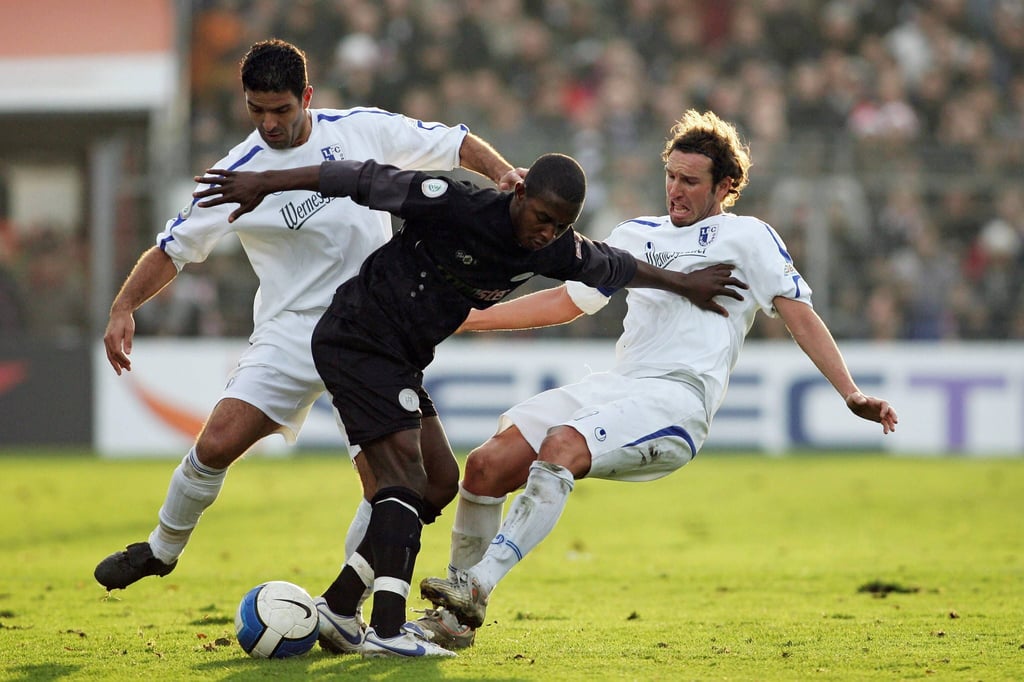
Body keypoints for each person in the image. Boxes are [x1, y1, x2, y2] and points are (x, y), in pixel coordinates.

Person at [191, 151, 747, 657]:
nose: (545, 233)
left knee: (437, 483)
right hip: (357, 337)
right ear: (520, 194)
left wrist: (685, 284)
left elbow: (616, 266)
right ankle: (386, 633)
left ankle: (338, 608)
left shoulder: (553, 245)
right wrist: (265, 181)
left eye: (559, 225)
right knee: (401, 483)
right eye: (540, 217)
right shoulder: (455, 201)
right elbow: (356, 178)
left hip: (400, 357)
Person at [417, 109, 899, 646]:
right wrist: (468, 317)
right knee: (485, 466)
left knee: (561, 445)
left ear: (727, 185)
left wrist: (850, 392)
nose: (675, 189)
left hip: (678, 402)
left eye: (690, 181)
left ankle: (477, 586)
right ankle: (451, 624)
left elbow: (799, 313)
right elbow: (568, 301)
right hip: (620, 385)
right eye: (670, 176)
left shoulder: (749, 237)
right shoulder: (634, 234)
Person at [93, 38, 527, 618]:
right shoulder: (236, 173)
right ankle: (161, 550)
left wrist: (504, 175)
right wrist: (125, 306)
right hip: (292, 332)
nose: (269, 123)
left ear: (307, 98)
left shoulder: (361, 129)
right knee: (216, 442)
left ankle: (343, 602)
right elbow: (172, 249)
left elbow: (454, 142)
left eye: (281, 110)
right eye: (257, 110)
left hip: (374, 330)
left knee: (425, 483)